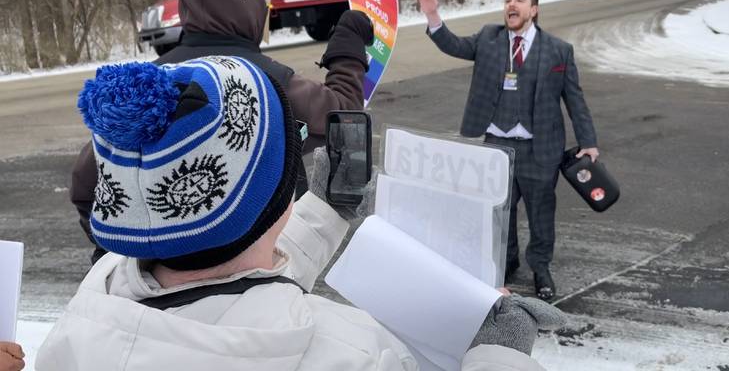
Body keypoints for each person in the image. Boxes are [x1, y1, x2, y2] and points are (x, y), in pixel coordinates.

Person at [37, 56, 565, 370]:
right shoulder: (351, 354)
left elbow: (227, 293)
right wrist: (501, 353)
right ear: (276, 197)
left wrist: (329, 210)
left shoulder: (89, 311)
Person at [70, 0, 374, 263]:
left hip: (150, 276)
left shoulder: (147, 85)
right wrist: (348, 43)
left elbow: (86, 184)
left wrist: (118, 253)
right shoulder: (267, 81)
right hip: (257, 262)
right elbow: (342, 115)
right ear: (252, 11)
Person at [416, 0, 599, 301]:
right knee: (498, 213)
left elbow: (575, 99)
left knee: (541, 210)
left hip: (540, 146)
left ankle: (541, 269)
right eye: (507, 0)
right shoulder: (489, 38)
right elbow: (453, 45)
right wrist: (433, 16)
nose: (511, 5)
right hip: (497, 147)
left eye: (518, 0)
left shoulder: (559, 50)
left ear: (534, 9)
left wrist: (588, 140)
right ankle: (507, 261)